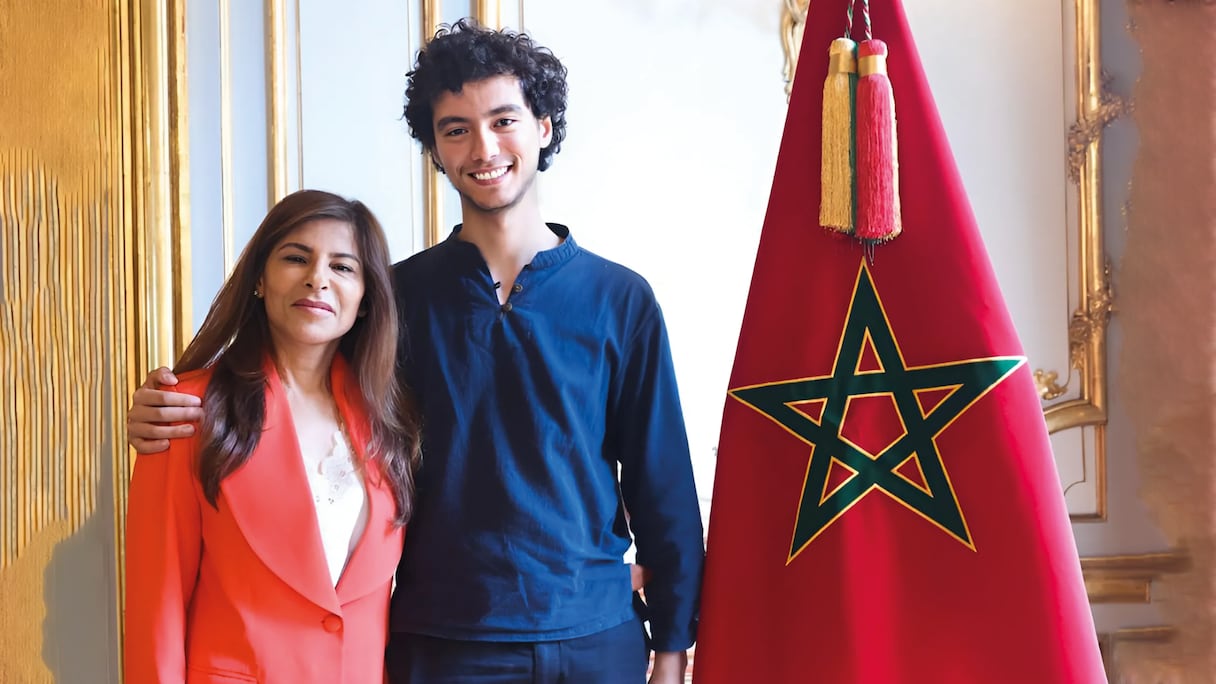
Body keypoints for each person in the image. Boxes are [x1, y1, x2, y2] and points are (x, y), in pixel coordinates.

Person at [127, 19, 704, 684]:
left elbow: (665, 488)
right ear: (435, 149)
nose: (482, 146)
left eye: (503, 120)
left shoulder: (621, 299)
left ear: (544, 126)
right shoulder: (391, 299)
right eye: (455, 128)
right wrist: (165, 405)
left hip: (595, 637)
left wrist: (671, 645)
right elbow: (295, 393)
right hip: (441, 642)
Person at [123, 189, 420, 683]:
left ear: (366, 298)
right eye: (296, 258)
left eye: (343, 267)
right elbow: (158, 601)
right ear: (260, 278)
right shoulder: (189, 410)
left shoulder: (389, 421)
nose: (317, 278)